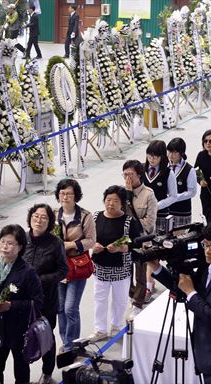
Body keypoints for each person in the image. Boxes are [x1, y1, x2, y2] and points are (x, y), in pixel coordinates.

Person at [148, 219, 211, 383]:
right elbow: (181, 288)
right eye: (205, 245)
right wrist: (156, 267)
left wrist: (191, 292)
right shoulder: (207, 267)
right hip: (207, 352)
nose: (208, 251)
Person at [0, 224, 43, 384]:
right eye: (2, 242)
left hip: (19, 330)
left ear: (20, 246)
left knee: (21, 369)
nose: (5, 247)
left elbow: (37, 303)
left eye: (10, 243)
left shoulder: (28, 271)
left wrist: (11, 306)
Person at [88, 185, 142, 342]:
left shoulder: (128, 221)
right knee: (100, 299)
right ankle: (100, 329)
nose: (110, 204)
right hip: (100, 267)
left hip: (121, 268)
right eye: (108, 200)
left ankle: (117, 326)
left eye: (115, 201)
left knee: (119, 300)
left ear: (122, 203)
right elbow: (89, 237)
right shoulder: (96, 217)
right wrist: (93, 245)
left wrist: (122, 248)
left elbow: (137, 243)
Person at [23, 203, 68, 384]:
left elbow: (63, 270)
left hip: (47, 300)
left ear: (50, 221)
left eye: (43, 217)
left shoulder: (55, 243)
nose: (38, 220)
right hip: (24, 301)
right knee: (21, 338)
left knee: (46, 338)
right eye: (35, 216)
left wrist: (41, 280)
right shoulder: (22, 239)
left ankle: (47, 374)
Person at [54, 179, 96, 351]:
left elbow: (91, 241)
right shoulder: (54, 214)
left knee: (71, 308)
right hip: (58, 267)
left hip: (77, 267)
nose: (65, 197)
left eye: (69, 193)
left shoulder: (85, 216)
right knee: (60, 308)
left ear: (76, 196)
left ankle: (73, 344)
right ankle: (67, 342)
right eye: (62, 193)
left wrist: (71, 245)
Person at [122, 160, 158, 318]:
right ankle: (131, 295)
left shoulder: (148, 194)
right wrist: (127, 195)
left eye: (130, 174)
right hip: (125, 241)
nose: (127, 178)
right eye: (125, 175)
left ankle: (138, 302)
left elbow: (149, 224)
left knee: (141, 272)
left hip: (142, 239)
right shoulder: (121, 193)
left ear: (139, 174)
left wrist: (132, 225)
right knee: (126, 271)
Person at [143, 140, 178, 234]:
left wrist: (156, 206)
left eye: (156, 156)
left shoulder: (168, 173)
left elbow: (173, 196)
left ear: (162, 156)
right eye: (149, 155)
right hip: (143, 215)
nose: (152, 159)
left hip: (161, 215)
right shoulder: (141, 169)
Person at [166, 138, 197, 227]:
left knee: (181, 238)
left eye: (175, 152)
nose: (171, 155)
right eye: (169, 151)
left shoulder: (189, 170)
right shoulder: (165, 167)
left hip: (182, 211)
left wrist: (175, 197)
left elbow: (192, 192)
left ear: (181, 153)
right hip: (166, 210)